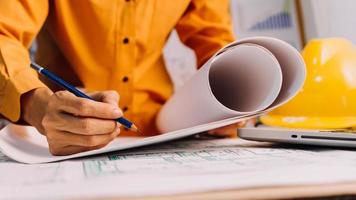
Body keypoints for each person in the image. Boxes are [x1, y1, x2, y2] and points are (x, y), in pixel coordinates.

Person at [0, 0, 248, 156]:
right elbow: (3, 34)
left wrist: (233, 102)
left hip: (161, 132)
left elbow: (215, 41)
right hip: (60, 132)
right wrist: (35, 104)